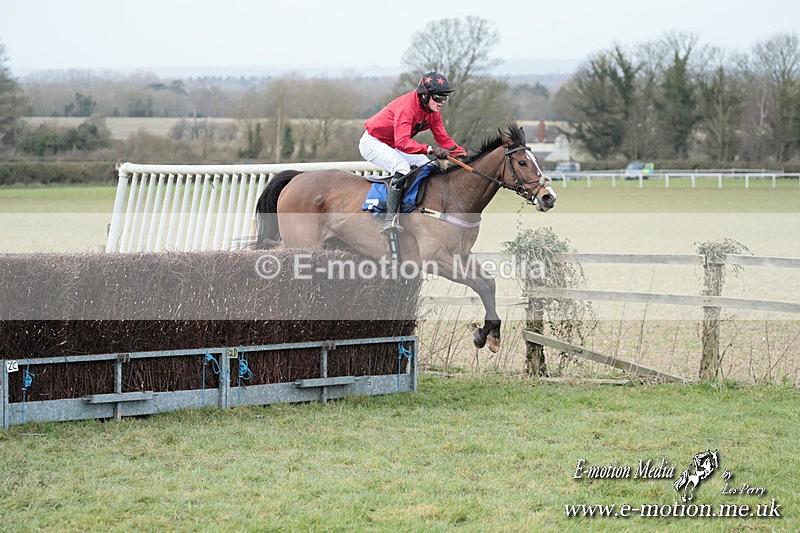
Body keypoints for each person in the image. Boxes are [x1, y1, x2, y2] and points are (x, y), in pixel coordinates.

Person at [359, 71, 467, 234]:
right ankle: (391, 218)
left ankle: (414, 205)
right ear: (424, 96)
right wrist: (429, 149)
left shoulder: (433, 113)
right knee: (401, 166)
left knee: (425, 164)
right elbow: (402, 143)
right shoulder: (407, 107)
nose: (442, 102)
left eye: (444, 98)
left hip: (392, 143)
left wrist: (462, 154)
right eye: (438, 98)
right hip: (373, 142)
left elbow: (443, 138)